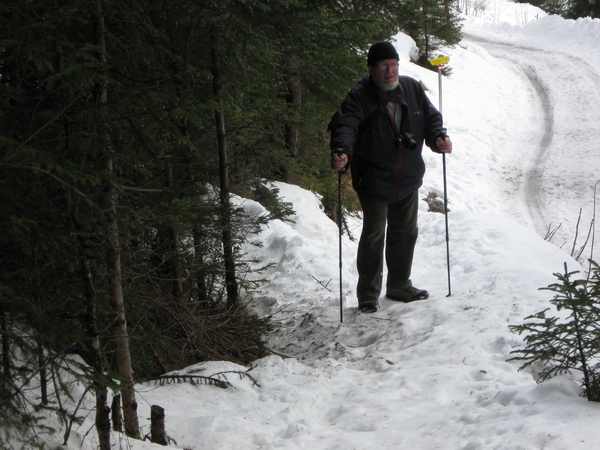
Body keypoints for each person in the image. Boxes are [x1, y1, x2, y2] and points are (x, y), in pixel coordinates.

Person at [329, 41, 452, 313]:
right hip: (373, 179)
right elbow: (346, 125)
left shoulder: (411, 88)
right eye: (384, 66)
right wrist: (342, 150)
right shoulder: (359, 96)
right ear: (371, 68)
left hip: (407, 177)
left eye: (394, 65)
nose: (390, 71)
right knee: (374, 234)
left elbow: (431, 119)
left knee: (405, 232)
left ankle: (399, 284)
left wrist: (438, 138)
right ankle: (368, 293)